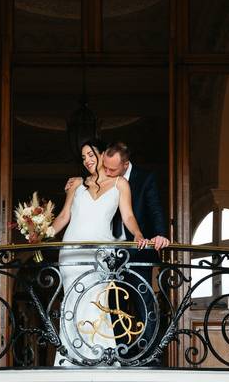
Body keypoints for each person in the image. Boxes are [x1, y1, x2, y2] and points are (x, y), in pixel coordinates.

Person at [64, 141, 171, 362]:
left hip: (137, 252)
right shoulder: (87, 182)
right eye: (106, 166)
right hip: (107, 254)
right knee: (110, 305)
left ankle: (148, 357)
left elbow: (153, 209)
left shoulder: (142, 178)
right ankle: (119, 353)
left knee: (143, 302)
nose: (107, 171)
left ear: (124, 165)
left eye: (113, 169)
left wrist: (158, 235)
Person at [49, 139, 149, 366]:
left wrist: (138, 235)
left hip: (99, 253)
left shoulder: (120, 184)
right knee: (72, 303)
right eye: (83, 157)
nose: (87, 160)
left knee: (96, 303)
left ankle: (101, 358)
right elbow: (64, 216)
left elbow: (128, 216)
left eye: (91, 154)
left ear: (102, 154)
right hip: (71, 252)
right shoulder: (76, 184)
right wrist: (42, 234)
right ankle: (71, 359)